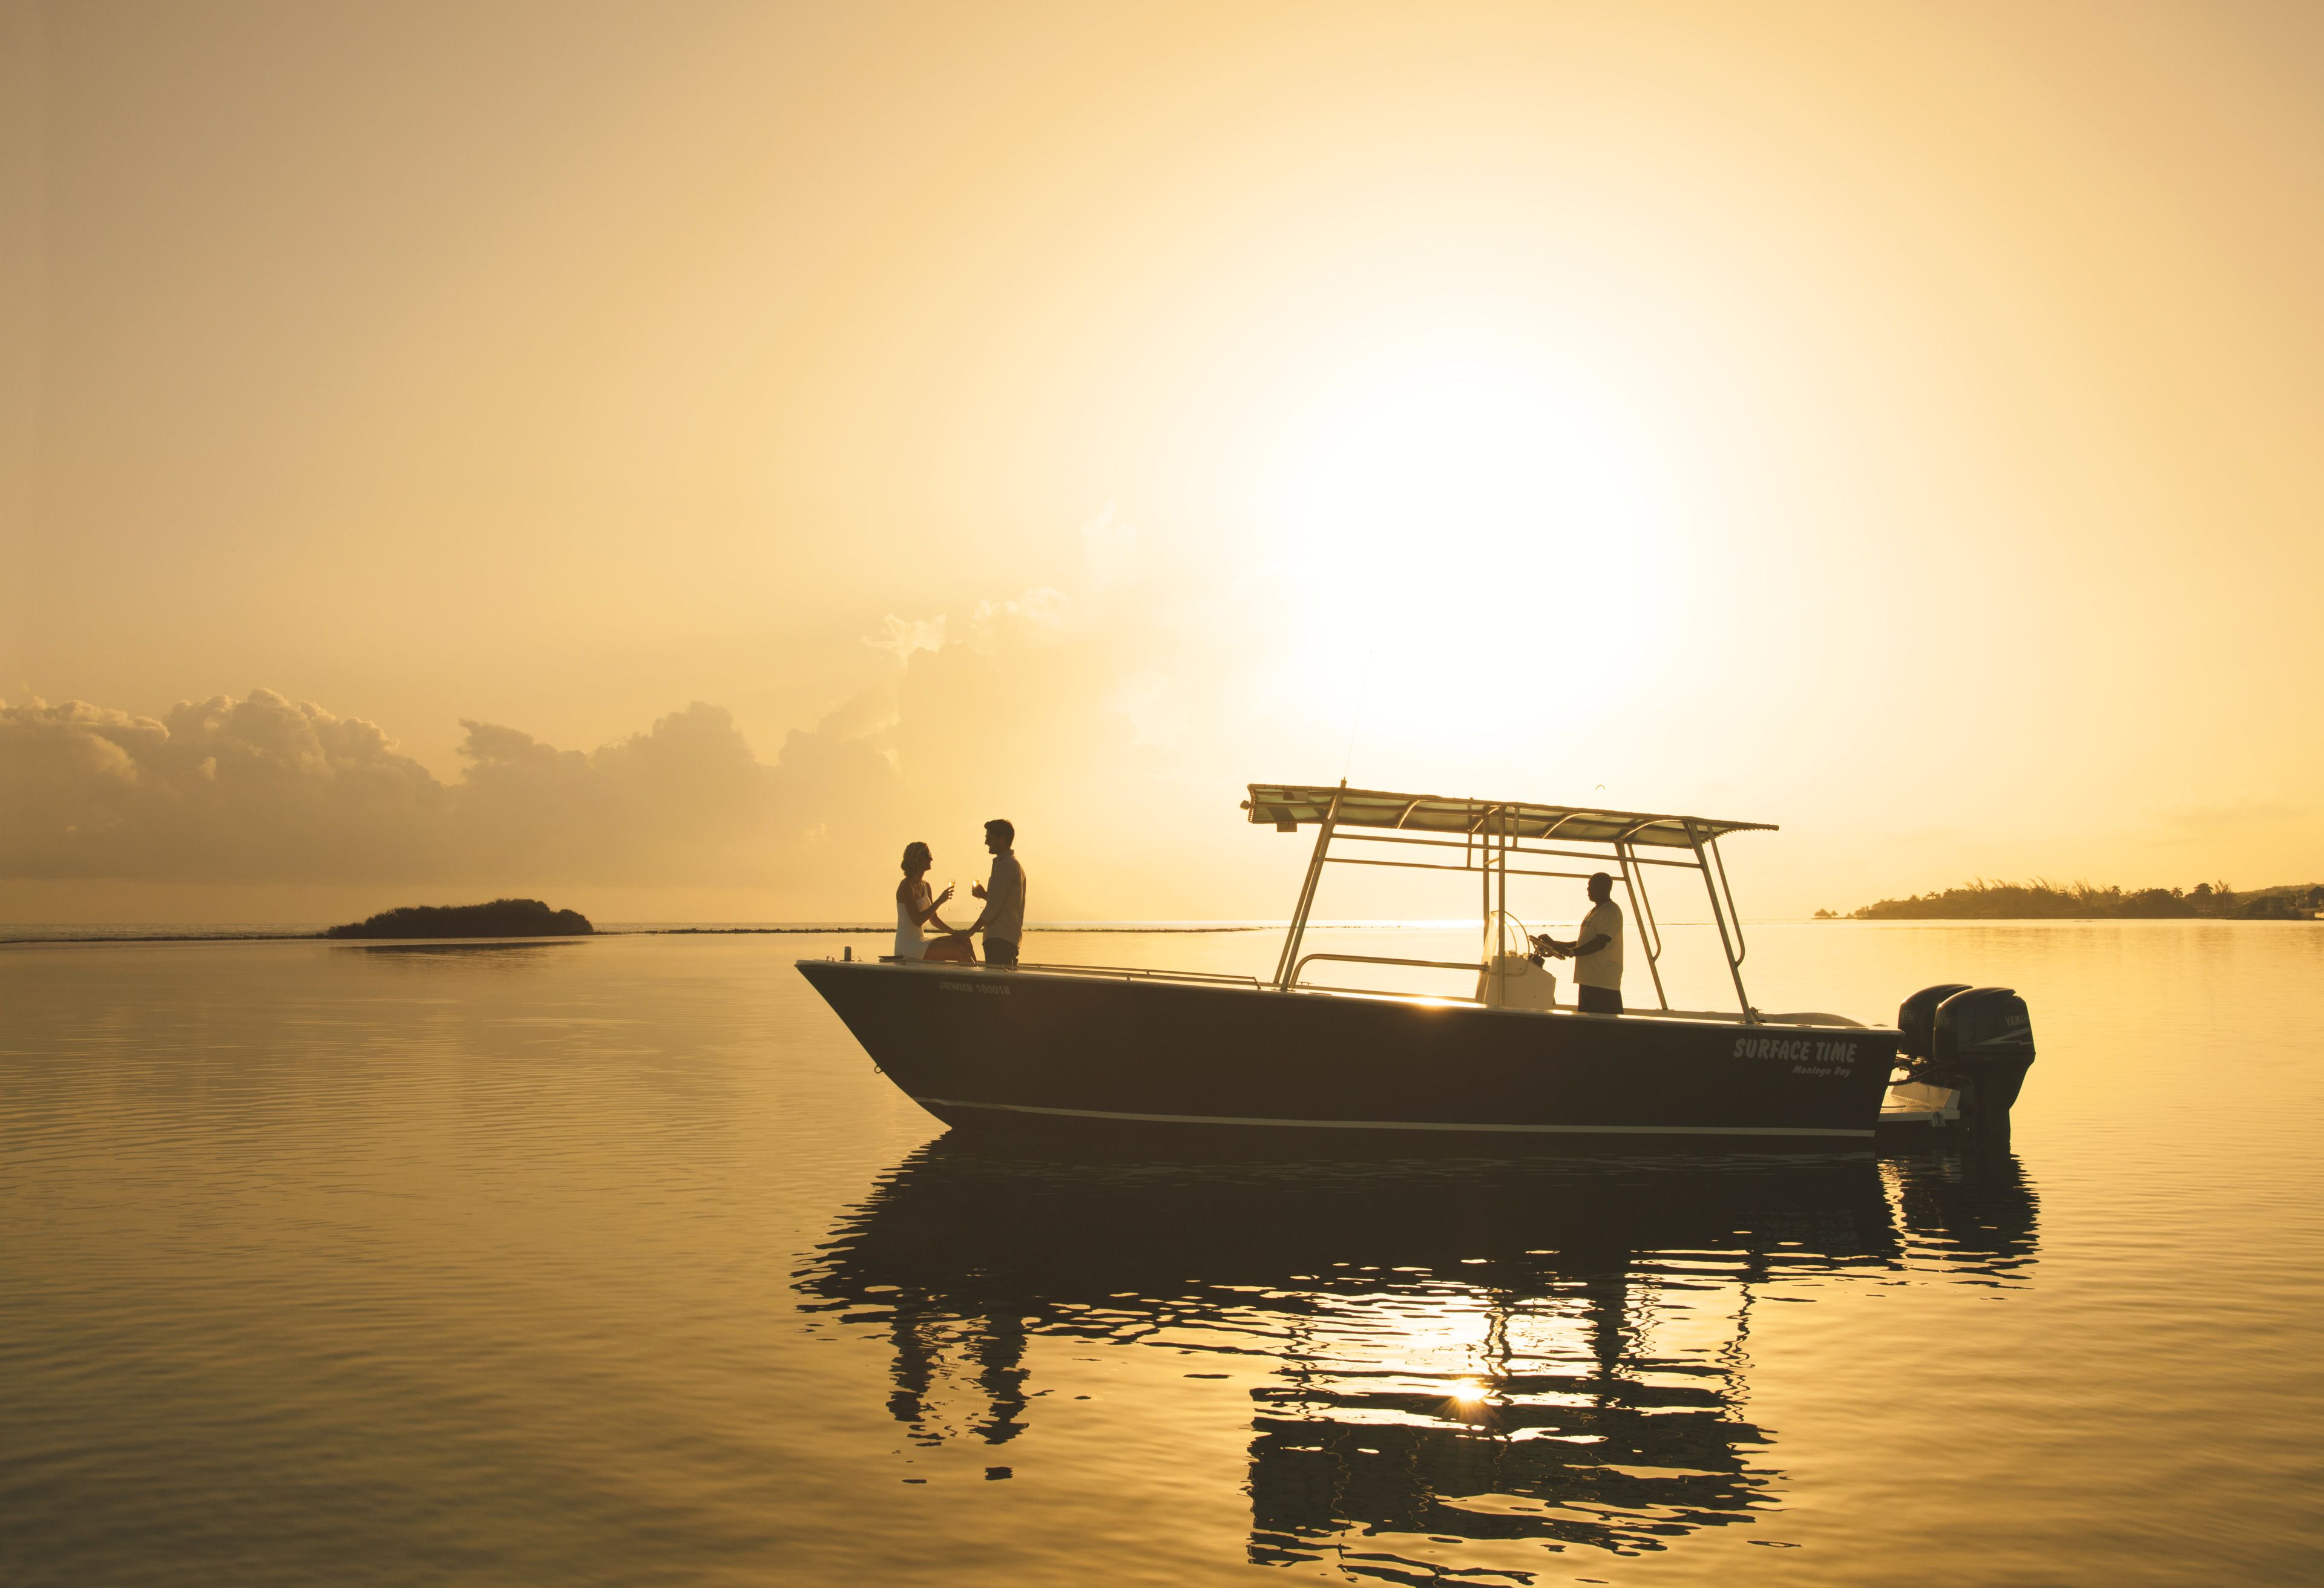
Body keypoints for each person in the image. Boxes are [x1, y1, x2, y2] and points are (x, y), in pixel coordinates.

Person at [1535, 871, 1624, 1015]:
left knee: (1607, 1025)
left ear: (1603, 888)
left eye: (1591, 886)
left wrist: (1571, 952)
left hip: (1603, 982)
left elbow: (1600, 943)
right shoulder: (1594, 912)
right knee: (1588, 1023)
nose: (1588, 889)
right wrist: (1555, 944)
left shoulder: (1611, 911)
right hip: (1588, 979)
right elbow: (1584, 942)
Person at [965, 818, 1027, 968]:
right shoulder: (1012, 864)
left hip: (1000, 938)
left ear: (1002, 839)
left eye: (990, 838)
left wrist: (971, 931)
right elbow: (1003, 902)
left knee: (998, 980)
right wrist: (985, 896)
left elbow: (994, 907)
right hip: (1007, 937)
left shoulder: (1006, 865)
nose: (986, 842)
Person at [892, 841, 959, 961]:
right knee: (959, 951)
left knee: (963, 941)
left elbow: (934, 920)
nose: (931, 859)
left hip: (920, 941)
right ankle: (974, 973)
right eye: (927, 856)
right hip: (908, 945)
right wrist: (939, 901)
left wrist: (955, 933)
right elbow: (917, 921)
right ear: (917, 859)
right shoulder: (906, 886)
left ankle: (976, 971)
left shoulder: (926, 886)